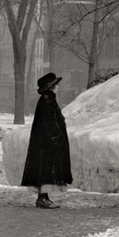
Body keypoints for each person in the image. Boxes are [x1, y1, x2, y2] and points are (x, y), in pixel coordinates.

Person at [21, 71, 72, 209]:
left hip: (45, 143)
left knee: (44, 170)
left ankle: (44, 198)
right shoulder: (47, 100)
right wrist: (57, 138)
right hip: (47, 144)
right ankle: (42, 199)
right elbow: (49, 122)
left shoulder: (47, 99)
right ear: (51, 87)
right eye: (56, 85)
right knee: (45, 171)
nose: (58, 87)